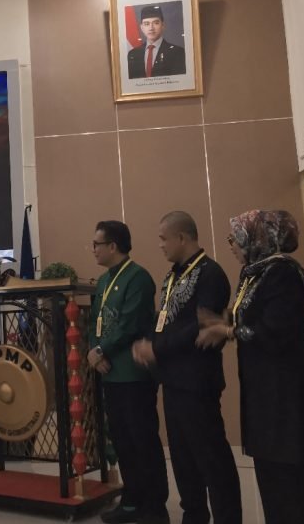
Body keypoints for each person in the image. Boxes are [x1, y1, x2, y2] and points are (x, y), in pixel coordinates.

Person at [197, 210, 304, 524]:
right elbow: (253, 321)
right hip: (263, 389)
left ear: (257, 236)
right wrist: (225, 323)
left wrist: (228, 331)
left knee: (290, 476)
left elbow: (275, 331)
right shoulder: (254, 273)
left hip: (284, 391)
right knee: (271, 474)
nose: (230, 242)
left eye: (236, 236)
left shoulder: (282, 273)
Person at [132, 212, 241, 524]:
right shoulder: (172, 276)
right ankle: (194, 515)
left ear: (182, 238)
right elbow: (165, 319)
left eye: (164, 238)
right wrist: (150, 342)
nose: (160, 245)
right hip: (173, 380)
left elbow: (199, 327)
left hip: (197, 381)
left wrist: (157, 348)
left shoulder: (210, 274)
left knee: (211, 457)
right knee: (182, 457)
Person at [86, 220, 169, 524]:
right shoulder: (105, 281)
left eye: (97, 243)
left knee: (142, 440)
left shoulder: (138, 278)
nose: (93, 249)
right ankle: (131, 500)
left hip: (133, 375)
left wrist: (101, 350)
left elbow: (130, 323)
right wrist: (94, 351)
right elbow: (96, 320)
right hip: (110, 374)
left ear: (113, 246)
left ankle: (155, 507)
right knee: (121, 440)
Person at [127, 6, 186, 79]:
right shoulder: (132, 54)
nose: (151, 28)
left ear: (163, 25)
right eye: (146, 24)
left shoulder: (178, 53)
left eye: (156, 23)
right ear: (142, 28)